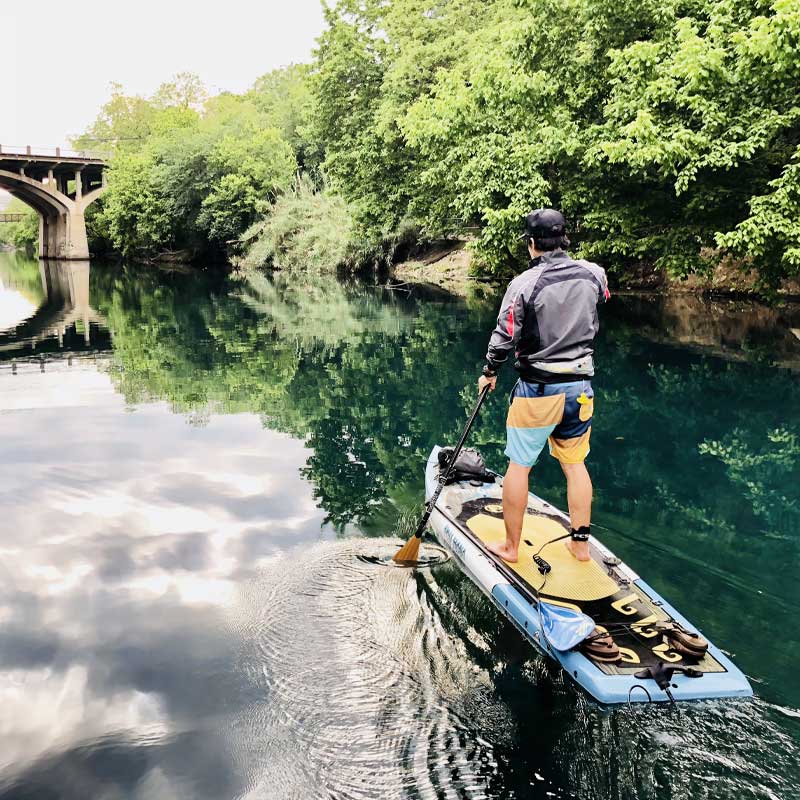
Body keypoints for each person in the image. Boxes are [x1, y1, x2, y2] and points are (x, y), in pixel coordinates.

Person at [477, 208, 609, 563]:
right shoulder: (594, 274)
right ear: (564, 238)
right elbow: (601, 298)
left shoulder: (523, 285)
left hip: (538, 389)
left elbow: (505, 335)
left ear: (532, 243)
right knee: (575, 465)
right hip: (580, 390)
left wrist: (490, 371)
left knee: (519, 466)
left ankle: (511, 548)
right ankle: (580, 548)